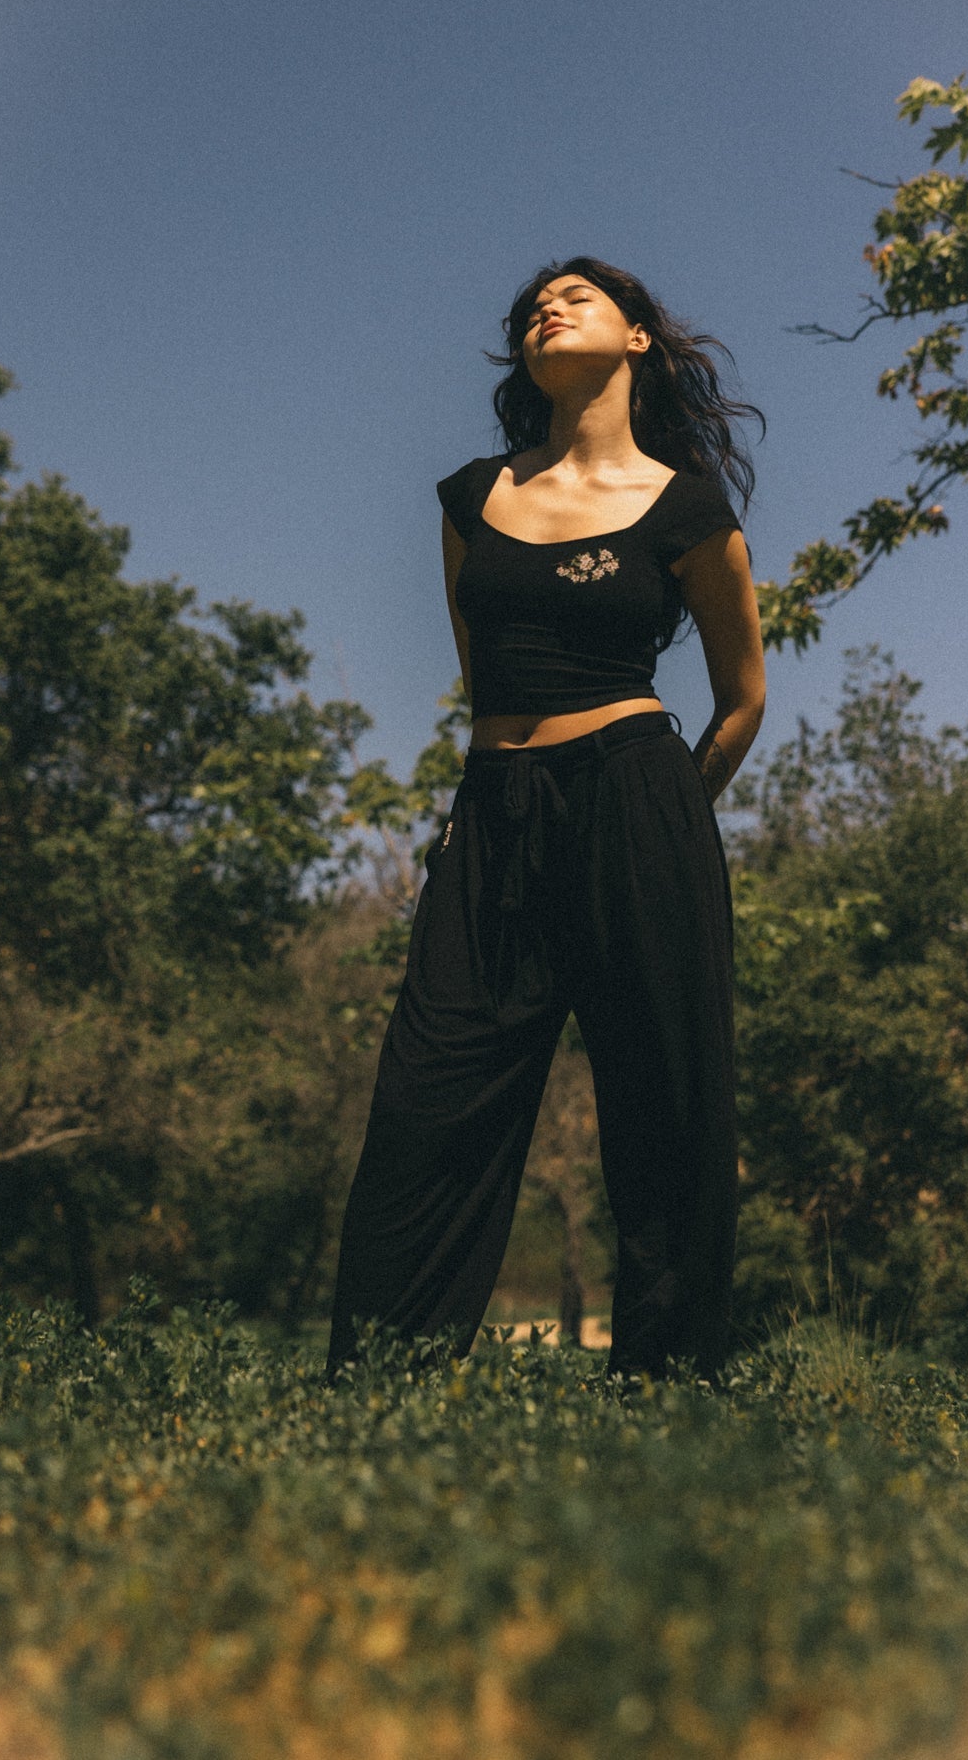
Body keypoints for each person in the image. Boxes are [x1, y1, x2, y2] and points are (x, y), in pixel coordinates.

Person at [327, 256, 765, 1382]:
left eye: (576, 297)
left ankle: (667, 1388)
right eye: (531, 308)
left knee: (666, 1105)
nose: (546, 310)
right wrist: (508, 804)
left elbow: (742, 699)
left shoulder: (687, 506)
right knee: (426, 1100)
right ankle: (374, 1385)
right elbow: (485, 680)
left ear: (637, 338)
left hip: (636, 794)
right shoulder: (472, 498)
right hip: (494, 811)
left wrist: (665, 819)